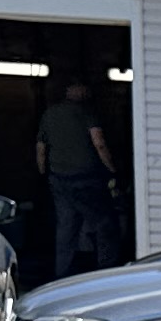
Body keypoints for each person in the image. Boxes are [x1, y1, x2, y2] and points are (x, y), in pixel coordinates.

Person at [41, 81, 121, 276]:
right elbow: (99, 142)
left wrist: (44, 174)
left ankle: (62, 274)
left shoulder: (50, 114)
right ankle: (106, 271)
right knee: (104, 224)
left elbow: (41, 148)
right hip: (86, 179)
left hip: (59, 180)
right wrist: (112, 169)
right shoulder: (86, 113)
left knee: (66, 227)